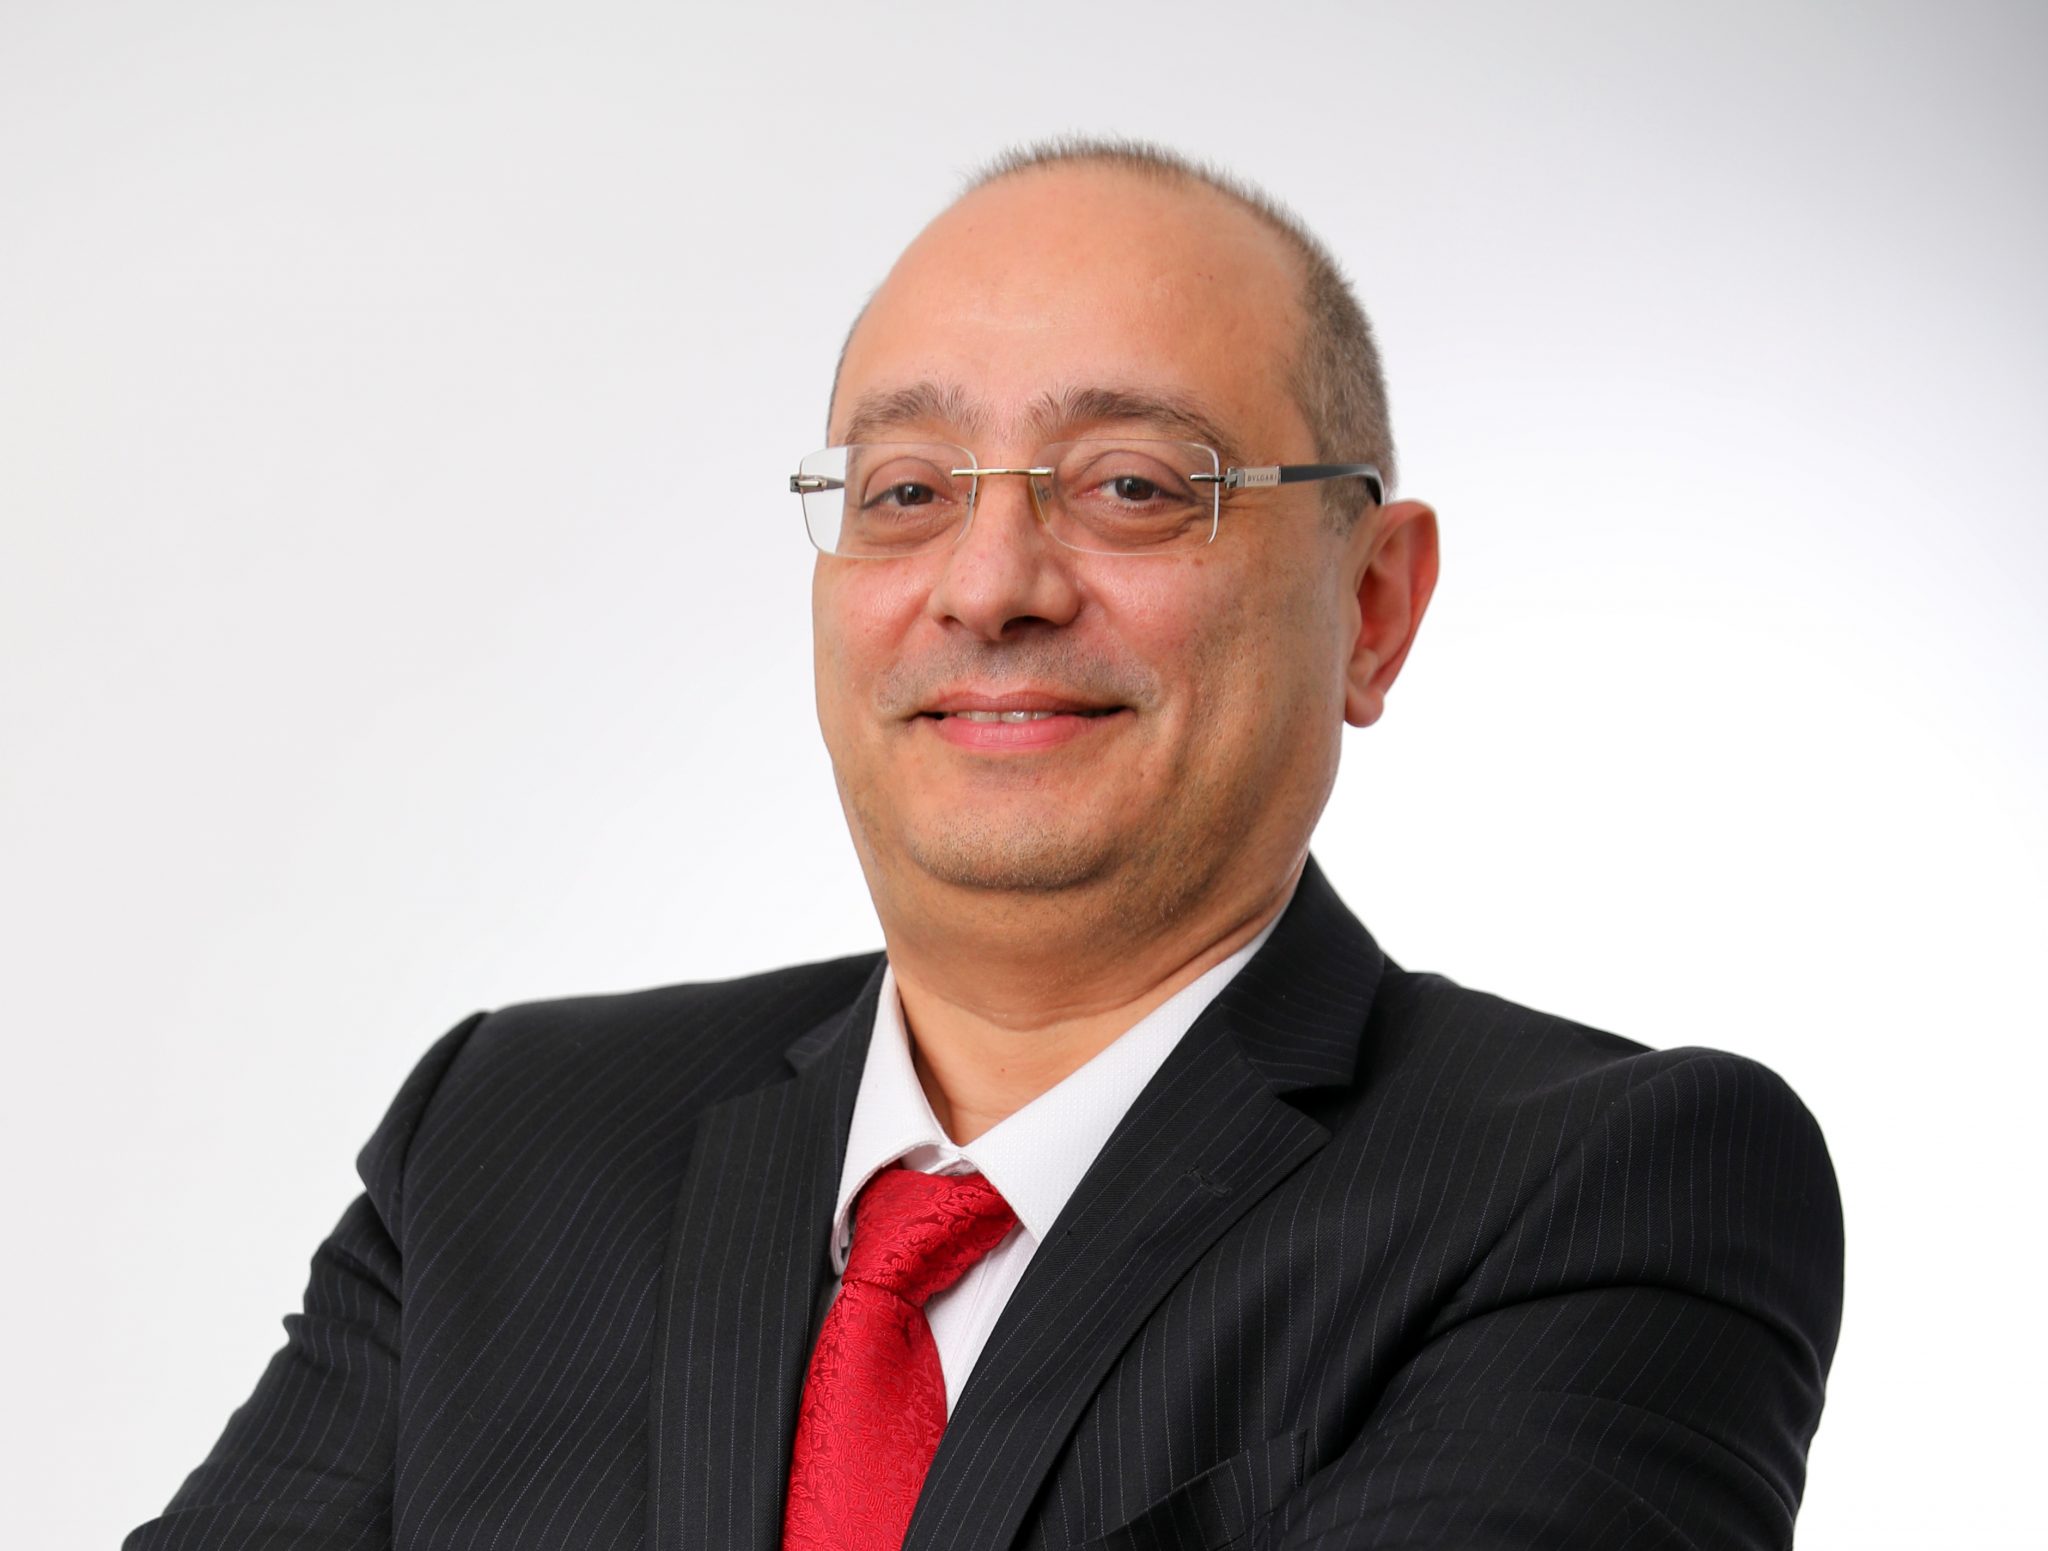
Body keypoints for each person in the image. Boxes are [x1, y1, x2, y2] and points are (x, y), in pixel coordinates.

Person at [129, 139, 1842, 1551]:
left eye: (1134, 485)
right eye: (905, 491)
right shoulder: (508, 1136)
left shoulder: (1609, 1191)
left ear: (1375, 608)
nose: (990, 583)